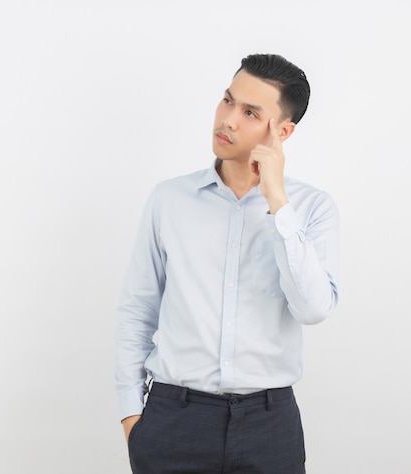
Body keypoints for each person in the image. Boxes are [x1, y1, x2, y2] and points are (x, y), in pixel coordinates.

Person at [114, 53, 339, 473]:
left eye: (250, 112)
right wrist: (132, 416)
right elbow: (138, 310)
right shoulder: (169, 199)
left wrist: (278, 204)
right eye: (227, 100)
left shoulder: (311, 209)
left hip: (269, 425)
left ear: (283, 131)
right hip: (172, 419)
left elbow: (313, 309)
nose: (228, 120)